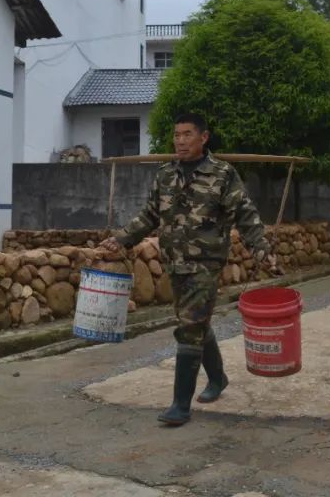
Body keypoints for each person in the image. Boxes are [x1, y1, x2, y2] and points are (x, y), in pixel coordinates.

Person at [100, 112, 275, 426]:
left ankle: (180, 406)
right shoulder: (166, 174)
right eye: (177, 134)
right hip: (174, 262)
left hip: (205, 264)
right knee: (195, 322)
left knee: (189, 328)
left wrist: (260, 248)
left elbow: (245, 214)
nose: (180, 140)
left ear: (203, 137)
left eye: (187, 134)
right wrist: (122, 239)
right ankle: (218, 378)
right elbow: (150, 214)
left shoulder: (222, 174)